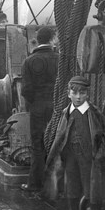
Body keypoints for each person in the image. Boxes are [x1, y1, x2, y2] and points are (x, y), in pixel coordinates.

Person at [45, 75, 105, 210]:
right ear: (69, 94)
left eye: (82, 93)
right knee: (71, 188)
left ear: (87, 94)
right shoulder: (66, 113)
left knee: (91, 190)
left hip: (89, 157)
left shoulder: (94, 113)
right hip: (70, 156)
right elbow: (60, 135)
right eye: (75, 93)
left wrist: (101, 154)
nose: (78, 96)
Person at [20, 26, 59, 192]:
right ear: (51, 39)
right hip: (58, 107)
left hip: (37, 107)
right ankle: (59, 185)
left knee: (38, 145)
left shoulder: (28, 61)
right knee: (58, 143)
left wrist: (34, 103)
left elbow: (25, 90)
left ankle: (35, 184)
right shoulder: (60, 59)